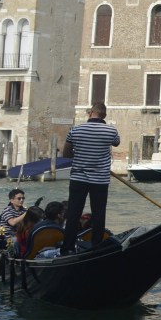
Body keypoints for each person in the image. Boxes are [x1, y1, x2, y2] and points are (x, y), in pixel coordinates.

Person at [60, 102, 121, 254]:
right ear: (104, 116)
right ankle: (96, 247)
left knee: (74, 213)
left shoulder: (75, 130)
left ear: (90, 113)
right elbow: (117, 143)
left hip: (78, 178)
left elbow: (66, 154)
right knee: (99, 214)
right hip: (99, 180)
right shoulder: (111, 130)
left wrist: (81, 155)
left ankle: (67, 248)